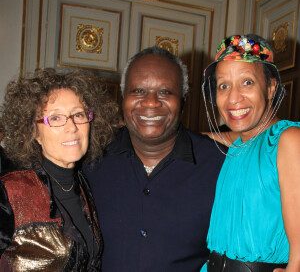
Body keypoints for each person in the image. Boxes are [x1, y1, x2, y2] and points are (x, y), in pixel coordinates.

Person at [85, 46, 227, 272]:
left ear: (183, 100)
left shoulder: (220, 166)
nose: (151, 102)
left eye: (165, 92)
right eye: (138, 91)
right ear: (123, 98)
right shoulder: (91, 160)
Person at [0, 68, 120, 271]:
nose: (72, 126)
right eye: (55, 118)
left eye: (79, 114)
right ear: (34, 131)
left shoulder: (83, 185)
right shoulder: (10, 192)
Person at [200, 34, 300, 272]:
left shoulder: (289, 140)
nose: (233, 98)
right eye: (224, 85)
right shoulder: (239, 144)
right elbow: (206, 137)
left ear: (270, 87)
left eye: (247, 82)